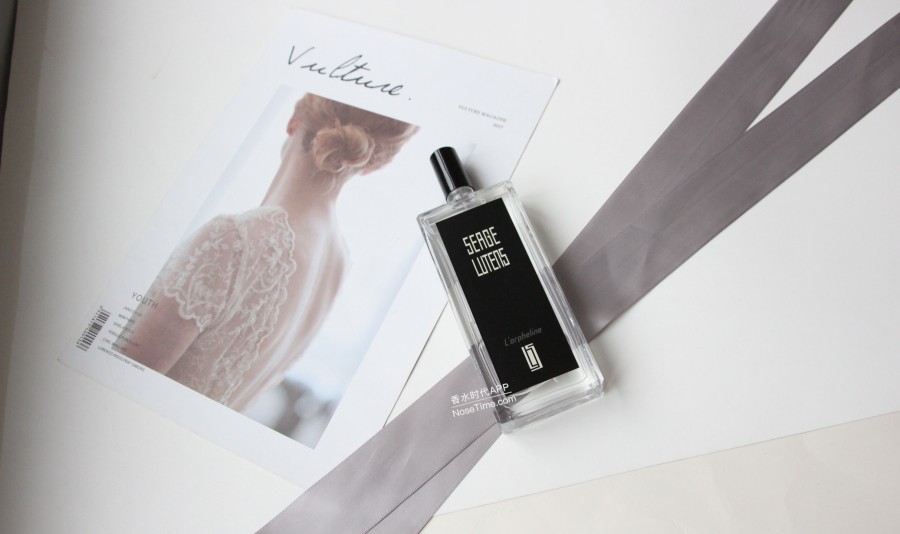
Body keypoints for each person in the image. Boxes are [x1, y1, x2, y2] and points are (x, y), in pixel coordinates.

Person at [116, 93, 419, 410]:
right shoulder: (339, 263)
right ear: (371, 165)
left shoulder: (234, 240)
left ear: (293, 123)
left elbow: (120, 383)